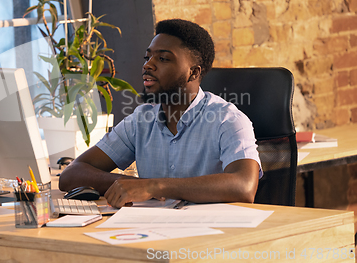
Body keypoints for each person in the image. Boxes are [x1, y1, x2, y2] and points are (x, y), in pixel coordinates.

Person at [59, 19, 262, 208]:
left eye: (163, 58)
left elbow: (244, 186)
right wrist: (129, 184)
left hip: (210, 238)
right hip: (150, 234)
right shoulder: (141, 120)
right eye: (148, 57)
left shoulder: (228, 120)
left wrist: (154, 186)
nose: (148, 65)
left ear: (194, 72)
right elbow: (72, 174)